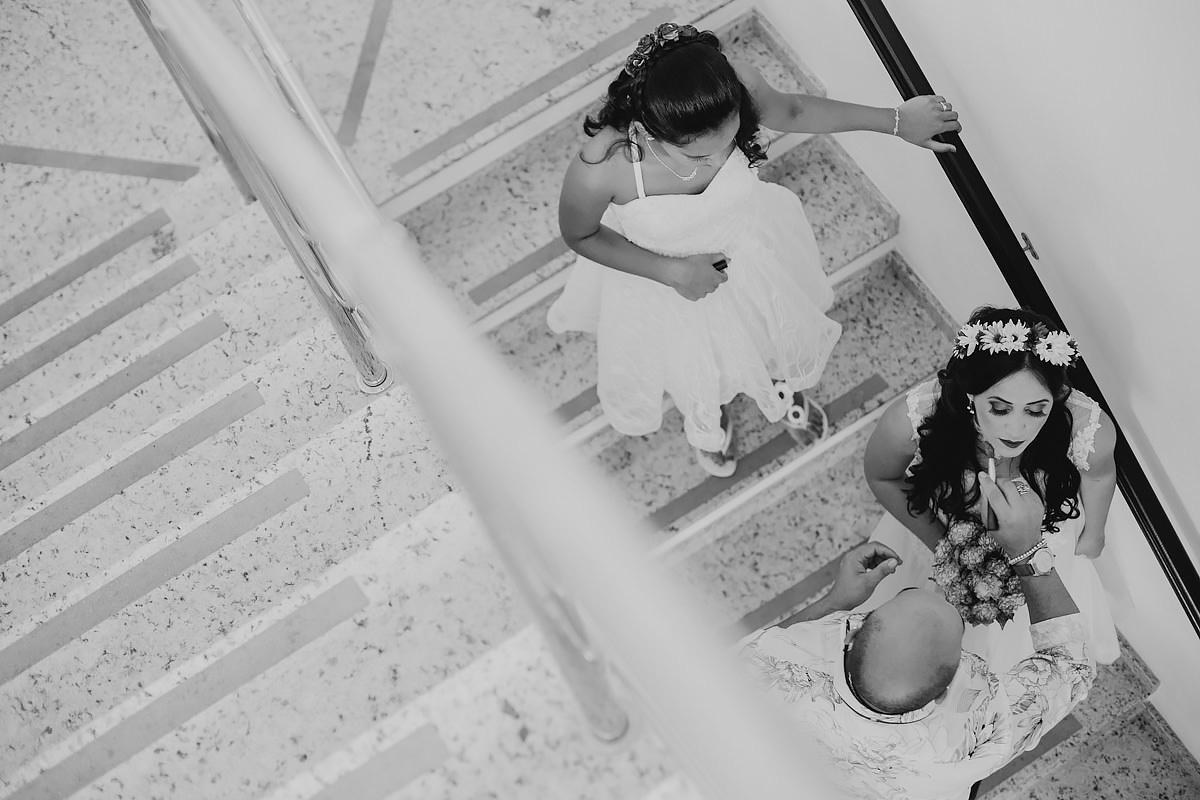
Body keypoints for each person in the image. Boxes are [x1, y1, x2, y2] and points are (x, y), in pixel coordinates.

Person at [548, 22, 962, 477]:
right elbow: (580, 235)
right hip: (667, 284)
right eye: (698, 156)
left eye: (729, 140)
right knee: (698, 362)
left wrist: (897, 121)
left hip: (749, 251)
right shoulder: (603, 164)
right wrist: (673, 272)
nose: (719, 159)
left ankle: (778, 387)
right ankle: (712, 409)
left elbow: (796, 111)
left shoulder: (735, 83)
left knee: (768, 329)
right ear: (651, 130)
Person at [741, 475, 1096, 800]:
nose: (937, 585)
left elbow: (773, 642)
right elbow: (1072, 666)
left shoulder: (762, 664)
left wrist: (834, 602)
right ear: (947, 689)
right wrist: (1028, 552)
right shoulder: (975, 731)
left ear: (852, 634)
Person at [859, 306, 1120, 670]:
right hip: (941, 530)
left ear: (1057, 396)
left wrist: (1094, 533)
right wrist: (942, 544)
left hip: (1045, 544)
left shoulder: (1089, 429)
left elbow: (1099, 476)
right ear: (970, 394)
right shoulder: (912, 418)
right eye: (999, 408)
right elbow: (882, 476)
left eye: (1036, 410)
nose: (1016, 429)